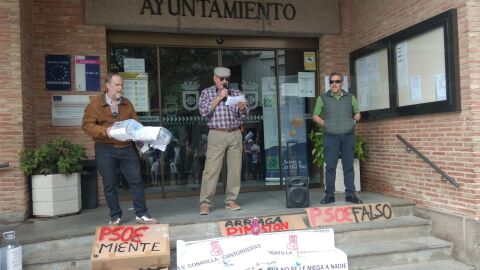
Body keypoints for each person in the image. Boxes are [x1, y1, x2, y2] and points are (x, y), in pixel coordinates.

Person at [82, 72, 158, 225]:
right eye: (117, 85)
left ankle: (141, 214)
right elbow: (87, 126)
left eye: (121, 85)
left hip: (126, 148)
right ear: (108, 85)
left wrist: (142, 143)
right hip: (105, 148)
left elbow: (136, 126)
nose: (120, 88)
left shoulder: (127, 104)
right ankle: (115, 216)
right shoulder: (95, 104)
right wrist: (106, 131)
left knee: (136, 181)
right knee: (110, 184)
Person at [198, 67, 249, 215]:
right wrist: (220, 97)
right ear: (215, 78)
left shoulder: (237, 93)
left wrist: (243, 108)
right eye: (222, 79)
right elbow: (204, 111)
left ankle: (231, 200)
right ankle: (205, 203)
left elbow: (245, 113)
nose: (225, 81)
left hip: (234, 133)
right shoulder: (207, 93)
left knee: (235, 169)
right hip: (216, 133)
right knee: (211, 170)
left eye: (227, 79)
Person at [312, 71, 363, 205]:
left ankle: (350, 194)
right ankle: (329, 195)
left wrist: (354, 122)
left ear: (342, 83)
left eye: (337, 81)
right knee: (330, 167)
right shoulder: (322, 98)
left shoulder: (350, 97)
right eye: (331, 82)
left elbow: (357, 113)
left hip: (348, 136)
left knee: (348, 166)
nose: (334, 84)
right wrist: (325, 123)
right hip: (331, 137)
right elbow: (315, 115)